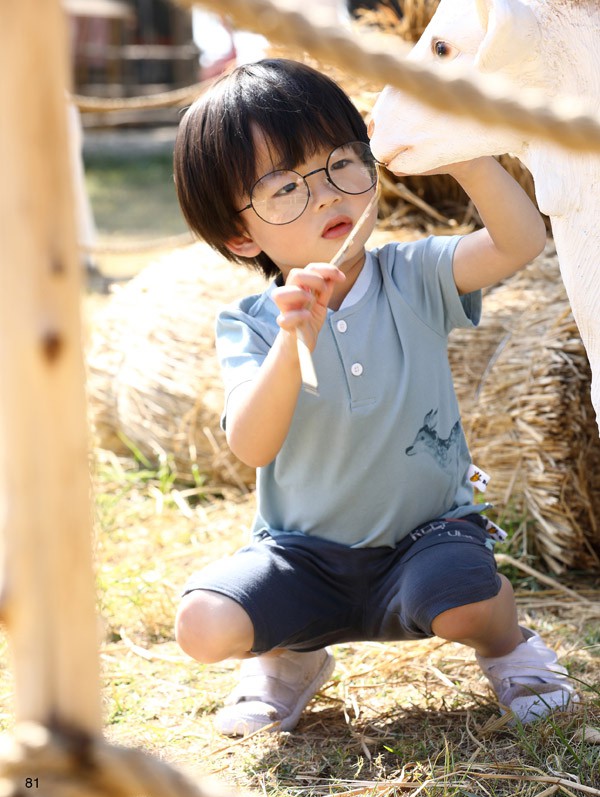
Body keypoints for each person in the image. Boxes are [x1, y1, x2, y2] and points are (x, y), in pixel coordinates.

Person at [172, 58, 576, 736]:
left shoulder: (412, 276)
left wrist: (465, 157)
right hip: (300, 554)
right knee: (202, 625)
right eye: (285, 187)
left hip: (427, 539)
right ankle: (290, 657)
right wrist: (292, 343)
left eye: (341, 164)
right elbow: (252, 444)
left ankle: (509, 648)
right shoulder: (251, 323)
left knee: (461, 598)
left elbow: (520, 242)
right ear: (241, 236)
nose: (326, 196)